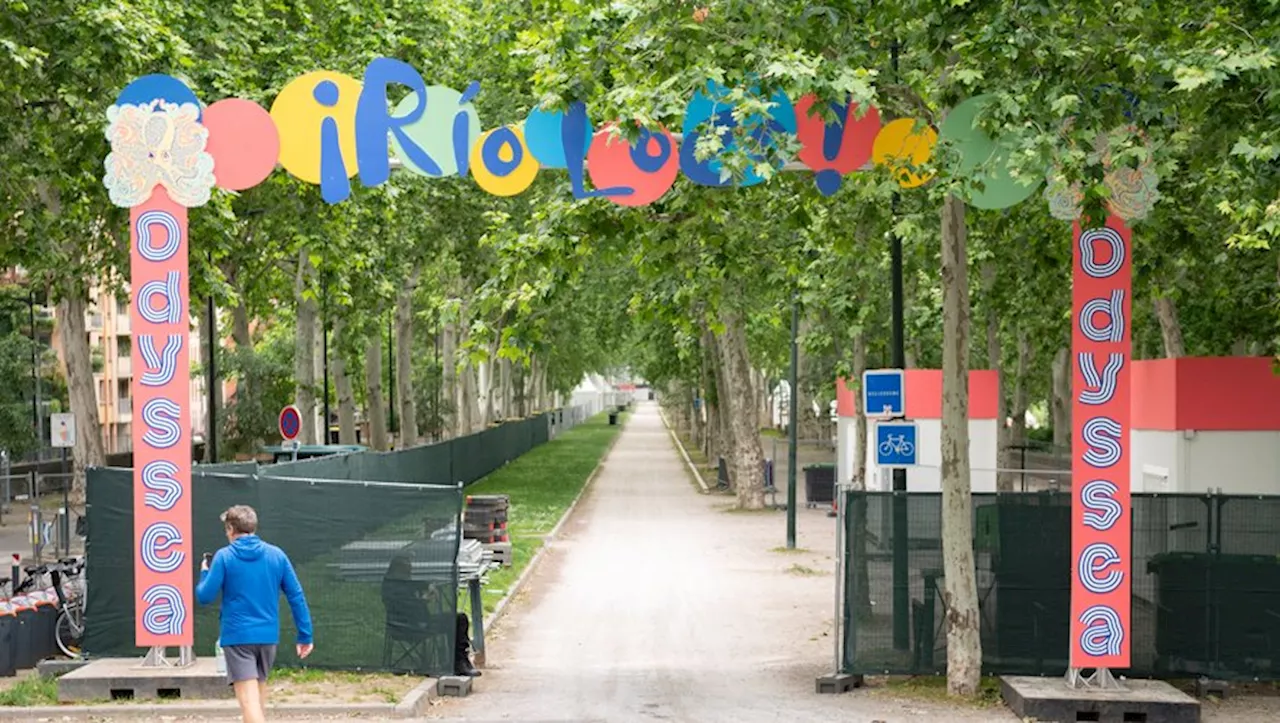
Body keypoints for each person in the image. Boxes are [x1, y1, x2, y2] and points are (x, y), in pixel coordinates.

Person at [197, 505, 313, 723]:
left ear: (231, 528)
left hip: (238, 636)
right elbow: (296, 595)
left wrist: (204, 572)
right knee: (257, 697)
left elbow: (205, 596)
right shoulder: (277, 555)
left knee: (248, 703)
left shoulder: (224, 557)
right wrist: (305, 635)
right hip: (268, 637)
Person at [380, 555, 481, 677]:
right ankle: (458, 663)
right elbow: (408, 607)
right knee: (458, 621)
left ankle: (457, 660)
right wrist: (425, 600)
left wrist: (428, 586)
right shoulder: (392, 588)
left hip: (421, 621)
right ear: (397, 570)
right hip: (410, 626)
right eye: (407, 570)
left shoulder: (400, 582)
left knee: (459, 618)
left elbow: (415, 584)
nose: (409, 573)